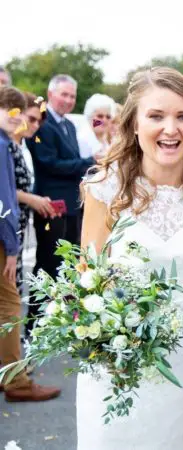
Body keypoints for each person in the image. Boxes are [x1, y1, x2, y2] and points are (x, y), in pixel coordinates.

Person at [77, 67, 183, 449]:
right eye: (156, 116)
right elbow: (86, 285)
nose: (171, 129)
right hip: (114, 368)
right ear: (133, 123)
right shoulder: (105, 189)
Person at [0, 86, 60, 401]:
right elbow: (5, 201)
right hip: (5, 234)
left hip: (12, 230)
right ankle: (16, 381)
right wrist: (11, 248)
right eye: (11, 111)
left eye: (20, 113)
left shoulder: (11, 144)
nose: (19, 119)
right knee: (10, 307)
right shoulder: (3, 146)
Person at [25, 75, 95, 333]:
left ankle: (58, 325)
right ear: (50, 94)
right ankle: (33, 328)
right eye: (64, 94)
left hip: (72, 206)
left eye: (72, 96)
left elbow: (72, 162)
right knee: (47, 265)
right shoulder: (41, 125)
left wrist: (83, 163)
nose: (68, 100)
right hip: (50, 205)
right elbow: (49, 164)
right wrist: (89, 161)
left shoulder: (69, 126)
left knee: (69, 266)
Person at [11, 92, 57, 295]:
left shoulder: (25, 146)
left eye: (39, 121)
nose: (35, 125)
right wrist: (31, 199)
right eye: (31, 119)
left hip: (19, 226)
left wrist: (37, 199)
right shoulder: (5, 145)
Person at [77, 93, 116, 160]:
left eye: (108, 117)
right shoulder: (82, 139)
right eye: (100, 116)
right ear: (90, 117)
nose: (104, 120)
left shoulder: (107, 140)